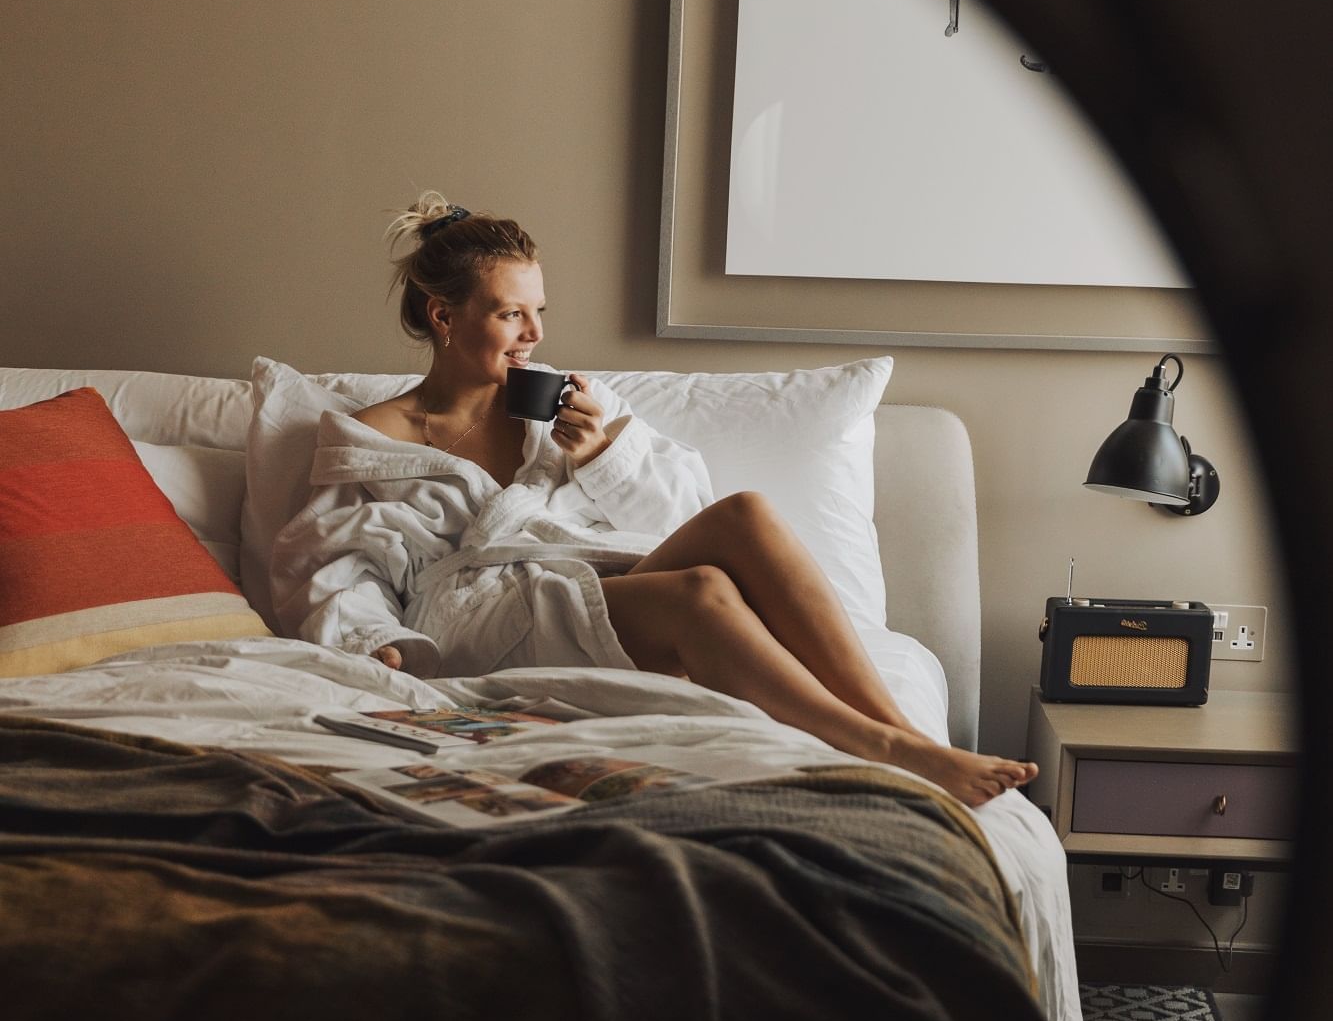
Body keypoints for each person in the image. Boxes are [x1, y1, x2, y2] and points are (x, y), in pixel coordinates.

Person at [268, 194, 1037, 808]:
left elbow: (679, 511)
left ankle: (900, 730)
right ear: (444, 316)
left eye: (540, 310)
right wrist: (376, 647)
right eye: (511, 313)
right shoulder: (368, 438)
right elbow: (338, 567)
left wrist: (599, 452)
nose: (534, 332)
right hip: (469, 615)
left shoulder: (563, 405)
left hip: (566, 583)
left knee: (746, 515)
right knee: (700, 593)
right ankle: (884, 749)